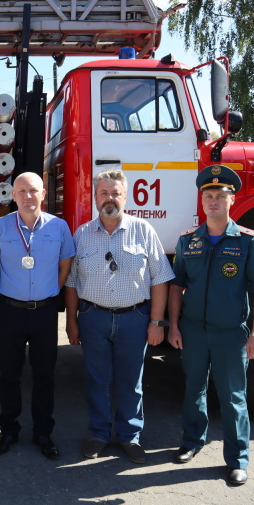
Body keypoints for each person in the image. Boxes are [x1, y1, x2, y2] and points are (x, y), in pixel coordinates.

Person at [168, 165, 254, 486]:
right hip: (193, 331)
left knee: (232, 397)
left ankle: (238, 459)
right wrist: (173, 326)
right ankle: (191, 442)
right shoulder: (188, 241)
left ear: (231, 200)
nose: (213, 201)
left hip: (231, 335)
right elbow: (176, 286)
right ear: (202, 201)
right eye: (208, 196)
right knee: (193, 390)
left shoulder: (249, 242)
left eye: (220, 196)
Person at [65, 169, 174, 464]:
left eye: (115, 193)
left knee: (130, 381)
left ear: (126, 197)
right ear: (95, 198)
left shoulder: (144, 231)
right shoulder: (83, 234)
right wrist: (71, 321)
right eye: (104, 193)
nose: (109, 198)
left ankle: (130, 436)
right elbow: (72, 282)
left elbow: (160, 280)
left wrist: (156, 322)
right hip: (93, 317)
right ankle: (99, 434)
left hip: (134, 318)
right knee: (97, 379)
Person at [0, 172, 75, 460]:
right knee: (8, 373)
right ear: (12, 195)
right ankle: (8, 430)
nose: (27, 196)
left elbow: (65, 269)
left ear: (43, 194)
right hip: (10, 311)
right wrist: (9, 293)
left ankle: (43, 432)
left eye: (33, 190)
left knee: (44, 375)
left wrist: (48, 293)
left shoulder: (59, 227)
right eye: (21, 191)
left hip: (45, 312)